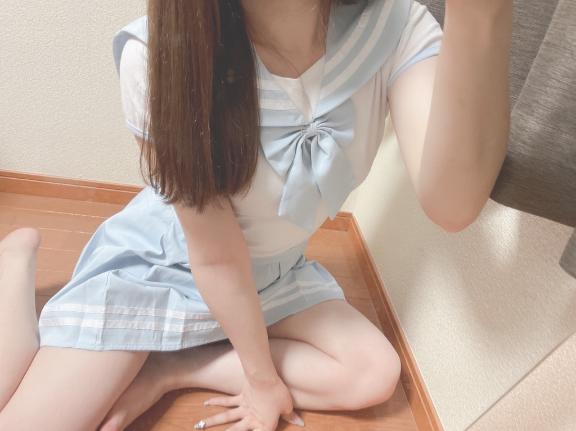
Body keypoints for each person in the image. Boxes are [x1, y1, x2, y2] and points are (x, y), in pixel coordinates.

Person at [0, 0, 513, 430]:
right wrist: (262, 379)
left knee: (373, 373)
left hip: (276, 275)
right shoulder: (161, 57)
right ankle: (15, 263)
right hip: (167, 270)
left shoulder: (393, 27)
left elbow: (452, 206)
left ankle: (175, 363)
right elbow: (216, 257)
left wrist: (481, 13)